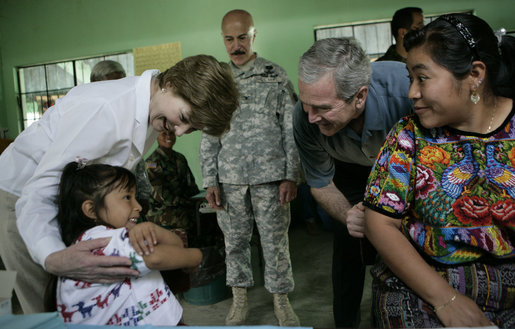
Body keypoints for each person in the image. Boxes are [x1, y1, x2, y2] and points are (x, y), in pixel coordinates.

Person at [0, 54, 239, 314]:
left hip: (70, 204)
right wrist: (52, 256)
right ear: (170, 83)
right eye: (183, 117)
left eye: (191, 128)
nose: (179, 132)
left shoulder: (152, 110)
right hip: (21, 201)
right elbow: (39, 192)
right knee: (51, 307)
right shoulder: (106, 110)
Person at [363, 13, 515, 328]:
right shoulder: (408, 136)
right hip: (422, 283)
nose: (411, 93)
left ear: (474, 74)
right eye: (410, 78)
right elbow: (380, 223)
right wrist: (446, 300)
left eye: (423, 77)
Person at [293, 37, 413, 327]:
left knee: (408, 243)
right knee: (350, 243)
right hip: (346, 171)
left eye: (321, 108)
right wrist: (349, 215)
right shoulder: (305, 117)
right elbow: (321, 184)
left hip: (406, 168)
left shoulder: (406, 93)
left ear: (359, 96)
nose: (310, 117)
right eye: (306, 104)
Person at [200, 9, 300, 326]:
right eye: (229, 39)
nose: (235, 45)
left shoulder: (275, 75)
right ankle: (239, 302)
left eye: (242, 37)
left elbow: (291, 130)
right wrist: (210, 180)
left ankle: (281, 302)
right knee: (235, 244)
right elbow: (209, 134)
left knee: (275, 244)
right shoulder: (217, 81)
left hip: (271, 178)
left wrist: (291, 174)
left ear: (253, 35)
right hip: (229, 181)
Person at [56, 161, 202, 325]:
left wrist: (153, 228)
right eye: (127, 197)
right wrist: (196, 256)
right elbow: (155, 258)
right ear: (91, 209)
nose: (138, 206)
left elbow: (176, 246)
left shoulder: (101, 237)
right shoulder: (102, 239)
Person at [90, 59, 153, 212]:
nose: (118, 89)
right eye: (112, 84)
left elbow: (135, 155)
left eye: (121, 83)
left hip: (129, 194)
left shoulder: (127, 110)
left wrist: (144, 193)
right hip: (101, 196)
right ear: (95, 83)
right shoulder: (91, 113)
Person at [145, 130, 199, 243]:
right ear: (156, 137)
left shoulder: (180, 158)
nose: (168, 137)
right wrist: (186, 202)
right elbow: (160, 195)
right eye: (164, 134)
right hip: (162, 213)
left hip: (183, 208)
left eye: (171, 134)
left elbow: (191, 186)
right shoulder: (152, 162)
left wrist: (196, 199)